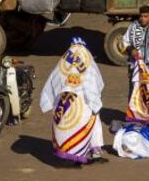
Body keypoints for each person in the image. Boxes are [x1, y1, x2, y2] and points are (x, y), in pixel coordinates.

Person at [40, 37, 108, 166]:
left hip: (66, 99)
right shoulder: (87, 60)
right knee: (90, 124)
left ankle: (92, 153)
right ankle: (81, 157)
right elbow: (93, 81)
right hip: (83, 100)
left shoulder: (63, 62)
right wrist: (95, 100)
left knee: (71, 127)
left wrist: (48, 100)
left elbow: (54, 80)